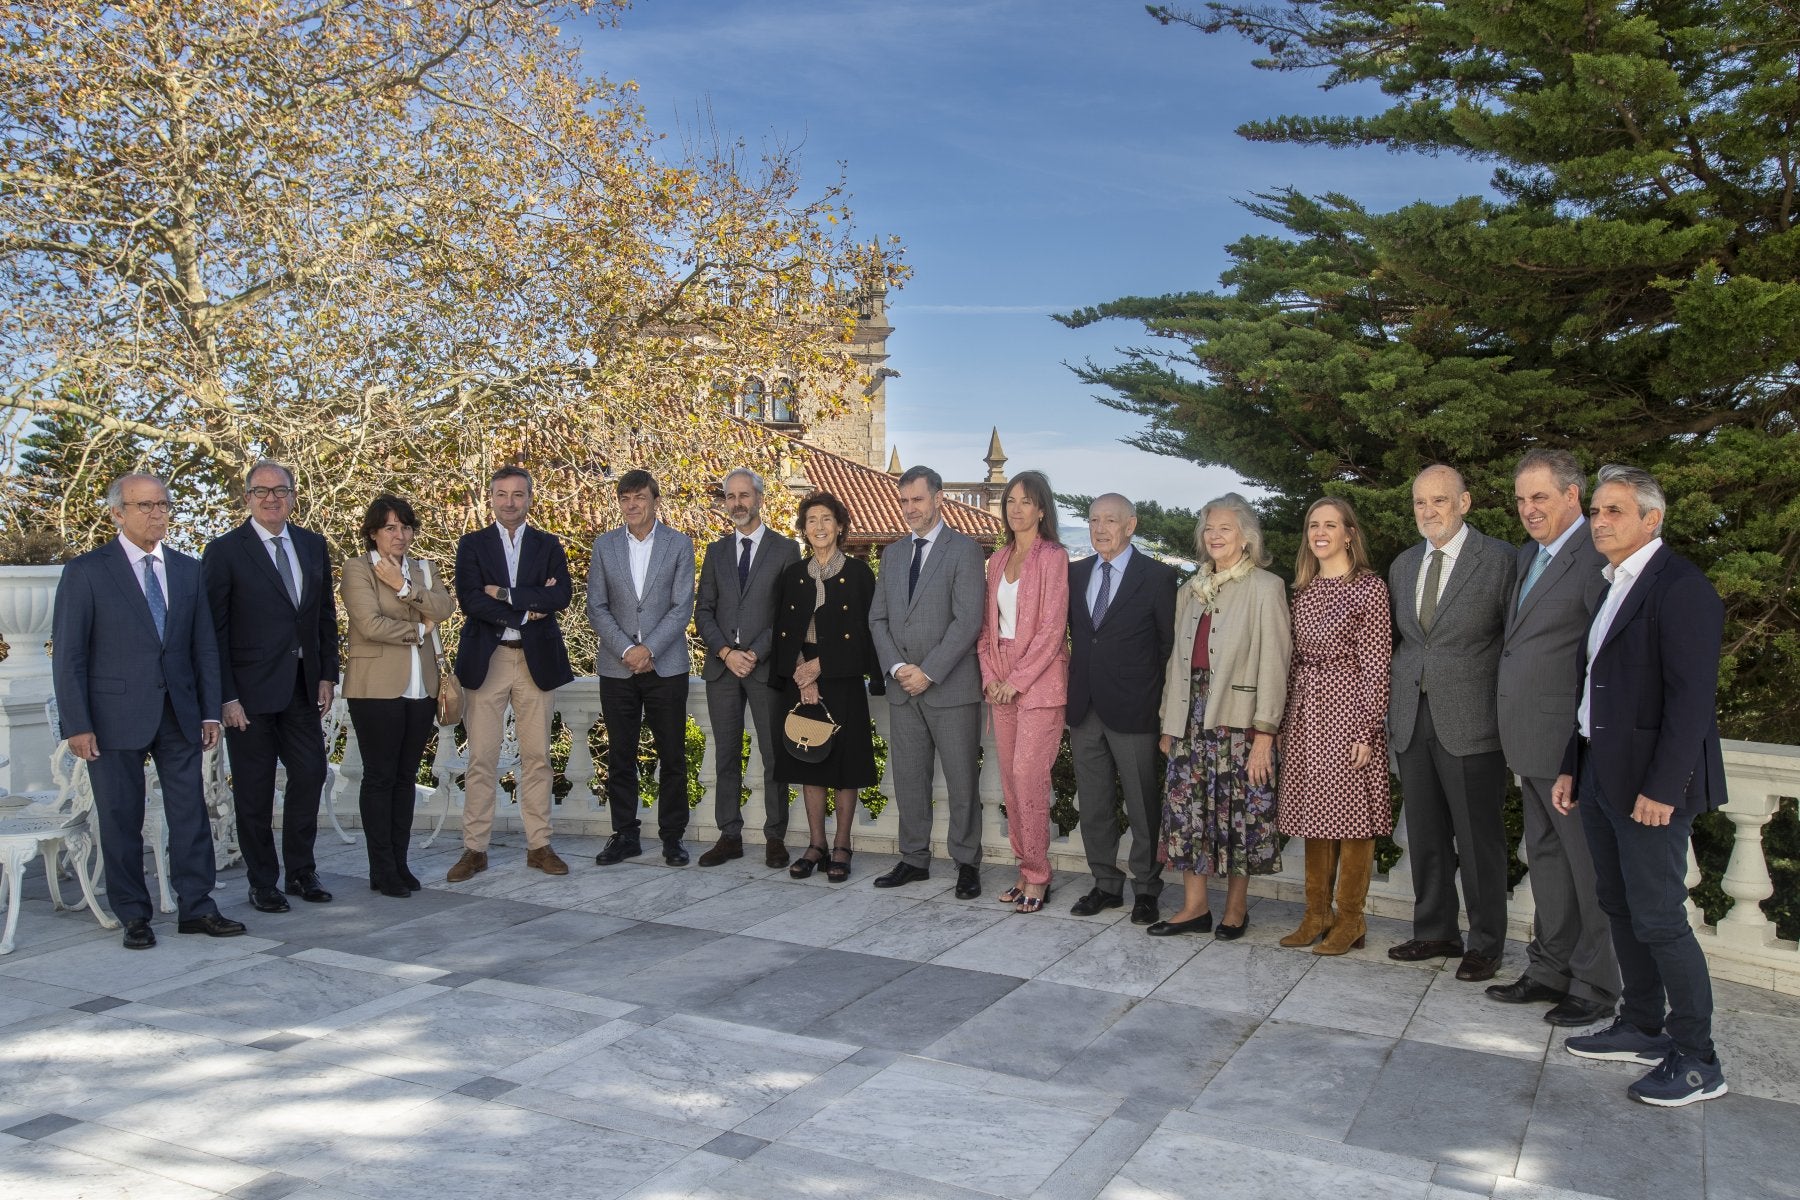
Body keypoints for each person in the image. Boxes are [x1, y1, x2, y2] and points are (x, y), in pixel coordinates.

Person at [1555, 464, 1729, 1107]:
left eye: (1615, 511)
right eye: (1597, 511)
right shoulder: (1613, 587)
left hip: (1653, 786)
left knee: (1659, 917)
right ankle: (1643, 1025)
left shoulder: (1680, 587)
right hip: (1602, 771)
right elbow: (1593, 691)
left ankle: (1698, 1058)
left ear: (1652, 519)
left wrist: (1664, 787)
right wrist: (1574, 763)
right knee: (1621, 905)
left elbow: (1691, 702)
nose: (1600, 522)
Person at [52, 473, 245, 948]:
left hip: (178, 713)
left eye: (163, 505)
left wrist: (208, 712)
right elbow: (69, 655)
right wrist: (77, 724)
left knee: (190, 814)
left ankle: (197, 907)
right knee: (120, 816)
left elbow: (203, 646)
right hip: (112, 717)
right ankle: (134, 914)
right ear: (118, 513)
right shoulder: (87, 571)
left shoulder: (186, 569)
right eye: (145, 506)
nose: (157, 514)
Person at [1490, 449, 1619, 1026]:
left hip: (1568, 743)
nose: (1527, 509)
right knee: (1546, 859)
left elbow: (1603, 656)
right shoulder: (1528, 558)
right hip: (1526, 738)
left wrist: (1584, 742)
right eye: (1520, 498)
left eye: (1539, 496)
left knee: (1586, 865)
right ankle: (1549, 968)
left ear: (1573, 496)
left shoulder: (1596, 556)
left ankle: (1596, 983)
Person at [1387, 464, 1517, 982]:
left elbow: (1514, 645)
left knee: (1478, 838)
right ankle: (1436, 929)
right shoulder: (1403, 565)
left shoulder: (1501, 560)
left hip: (1473, 721)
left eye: (1439, 501)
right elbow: (1405, 643)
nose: (1429, 511)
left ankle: (1486, 943)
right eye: (1420, 502)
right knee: (1425, 834)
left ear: (1465, 503)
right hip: (1412, 719)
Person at [201, 460, 339, 914]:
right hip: (248, 696)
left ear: (294, 496)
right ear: (247, 498)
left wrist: (326, 673)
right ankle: (263, 881)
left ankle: (301, 871)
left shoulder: (312, 545)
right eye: (261, 491)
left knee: (311, 774)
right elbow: (213, 632)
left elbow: (322, 617)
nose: (271, 498)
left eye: (280, 490)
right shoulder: (223, 551)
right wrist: (226, 697)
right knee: (254, 792)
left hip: (302, 688)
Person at [1154, 494, 1291, 938]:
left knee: (1238, 815)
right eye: (1209, 529)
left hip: (1239, 721)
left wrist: (1266, 733)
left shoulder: (1266, 587)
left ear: (1246, 537)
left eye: (1225, 529)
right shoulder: (1190, 591)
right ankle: (1194, 907)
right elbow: (1177, 660)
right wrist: (1168, 725)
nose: (1215, 536)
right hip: (1189, 717)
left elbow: (1276, 661)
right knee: (1185, 813)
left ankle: (1235, 909)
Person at [446, 466, 575, 884]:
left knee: (537, 758)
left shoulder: (548, 544)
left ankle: (539, 845)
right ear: (491, 498)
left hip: (535, 660)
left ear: (530, 499)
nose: (509, 501)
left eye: (518, 494)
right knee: (481, 757)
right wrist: (527, 609)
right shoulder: (473, 545)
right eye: (501, 494)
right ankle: (474, 849)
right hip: (489, 660)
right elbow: (470, 601)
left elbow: (561, 595)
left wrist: (503, 594)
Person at [1276, 497, 1392, 955]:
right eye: (1313, 525)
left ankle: (1350, 919)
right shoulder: (1302, 589)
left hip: (1349, 708)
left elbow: (1377, 664)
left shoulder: (1369, 588)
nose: (1320, 532)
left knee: (1352, 817)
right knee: (1314, 813)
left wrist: (1367, 729)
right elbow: (1292, 661)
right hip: (1307, 708)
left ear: (1350, 533)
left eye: (1330, 525)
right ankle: (1315, 913)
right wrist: (1285, 719)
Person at [867, 465, 987, 897]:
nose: (909, 509)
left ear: (938, 498)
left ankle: (967, 864)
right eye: (903, 501)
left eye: (917, 500)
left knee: (961, 782)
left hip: (950, 689)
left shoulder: (966, 550)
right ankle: (914, 858)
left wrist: (929, 671)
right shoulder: (893, 554)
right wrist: (899, 669)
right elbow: (877, 618)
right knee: (909, 780)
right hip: (903, 690)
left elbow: (968, 620)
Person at [1065, 494, 1179, 924]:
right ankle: (1105, 884)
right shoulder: (1075, 573)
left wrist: (1166, 711)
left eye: (1109, 520)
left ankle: (1147, 888)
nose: (1100, 528)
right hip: (1085, 707)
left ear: (1130, 525)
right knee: (1093, 802)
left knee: (1143, 803)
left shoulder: (1157, 576)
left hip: (1136, 709)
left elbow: (1169, 647)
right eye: (1093, 520)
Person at [340, 494, 455, 898]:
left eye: (405, 527)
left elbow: (445, 607)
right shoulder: (357, 569)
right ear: (373, 533)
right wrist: (419, 632)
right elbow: (369, 624)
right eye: (390, 527)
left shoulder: (423, 569)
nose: (400, 535)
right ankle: (381, 868)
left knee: (406, 777)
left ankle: (400, 863)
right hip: (374, 688)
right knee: (380, 777)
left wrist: (405, 587)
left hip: (420, 688)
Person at [771, 492, 883, 881]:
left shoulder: (859, 574)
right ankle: (816, 844)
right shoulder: (793, 575)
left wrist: (822, 666)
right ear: (803, 529)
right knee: (810, 760)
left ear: (839, 526)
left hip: (843, 679)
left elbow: (867, 636)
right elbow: (784, 632)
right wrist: (802, 673)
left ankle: (842, 845)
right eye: (811, 520)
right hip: (802, 679)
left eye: (826, 519)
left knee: (845, 766)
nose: (818, 527)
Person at [587, 469, 696, 867]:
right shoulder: (604, 546)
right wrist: (627, 650)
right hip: (617, 669)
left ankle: (672, 837)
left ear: (655, 501)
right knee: (620, 755)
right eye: (625, 498)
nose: (631, 505)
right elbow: (595, 606)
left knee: (673, 755)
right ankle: (625, 835)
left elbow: (682, 606)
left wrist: (648, 648)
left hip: (666, 667)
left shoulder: (679, 544)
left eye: (639, 498)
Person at [695, 468, 801, 868]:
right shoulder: (715, 552)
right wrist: (725, 651)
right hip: (722, 670)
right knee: (725, 754)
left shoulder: (785, 550)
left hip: (765, 667)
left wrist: (754, 652)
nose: (737, 503)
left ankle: (775, 836)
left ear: (759, 498)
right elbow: (702, 610)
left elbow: (788, 614)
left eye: (744, 495)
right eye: (730, 497)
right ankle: (729, 835)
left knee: (774, 754)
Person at [978, 471, 1069, 913]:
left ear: (1041, 509)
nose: (1016, 508)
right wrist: (993, 679)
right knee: (1011, 784)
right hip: (1000, 683)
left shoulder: (1054, 557)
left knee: (1030, 778)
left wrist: (1016, 681)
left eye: (1026, 501)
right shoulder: (996, 561)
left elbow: (1052, 631)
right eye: (1011, 500)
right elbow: (986, 630)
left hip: (1040, 684)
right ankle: (1025, 869)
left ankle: (1038, 876)